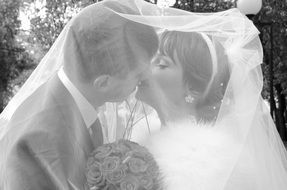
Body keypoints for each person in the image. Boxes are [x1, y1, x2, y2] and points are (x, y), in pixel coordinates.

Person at [104, 0, 287, 189]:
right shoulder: (140, 135)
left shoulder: (209, 161)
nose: (144, 68)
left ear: (193, 90)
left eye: (161, 64)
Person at [0, 0, 158, 189]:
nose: (146, 77)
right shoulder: (37, 141)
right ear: (103, 82)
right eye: (138, 75)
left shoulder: (70, 101)